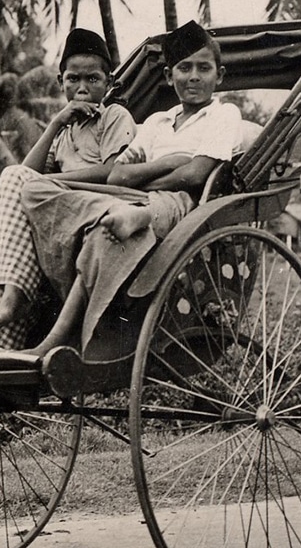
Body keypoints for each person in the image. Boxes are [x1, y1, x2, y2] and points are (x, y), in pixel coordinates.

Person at [20, 21, 261, 358]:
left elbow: (195, 173)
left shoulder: (223, 115)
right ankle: (129, 214)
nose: (193, 77)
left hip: (185, 207)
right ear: (168, 76)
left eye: (203, 68)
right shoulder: (156, 123)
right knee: (33, 190)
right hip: (127, 198)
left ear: (219, 76)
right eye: (184, 68)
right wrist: (168, 163)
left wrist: (147, 177)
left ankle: (60, 338)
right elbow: (117, 176)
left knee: (125, 222)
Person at [0, 28, 135, 350]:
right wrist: (55, 124)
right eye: (73, 79)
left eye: (93, 80)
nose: (82, 88)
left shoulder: (114, 117)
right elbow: (28, 171)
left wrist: (53, 183)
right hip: (56, 210)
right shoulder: (64, 131)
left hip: (94, 206)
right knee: (13, 176)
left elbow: (113, 173)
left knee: (15, 177)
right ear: (61, 82)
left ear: (108, 83)